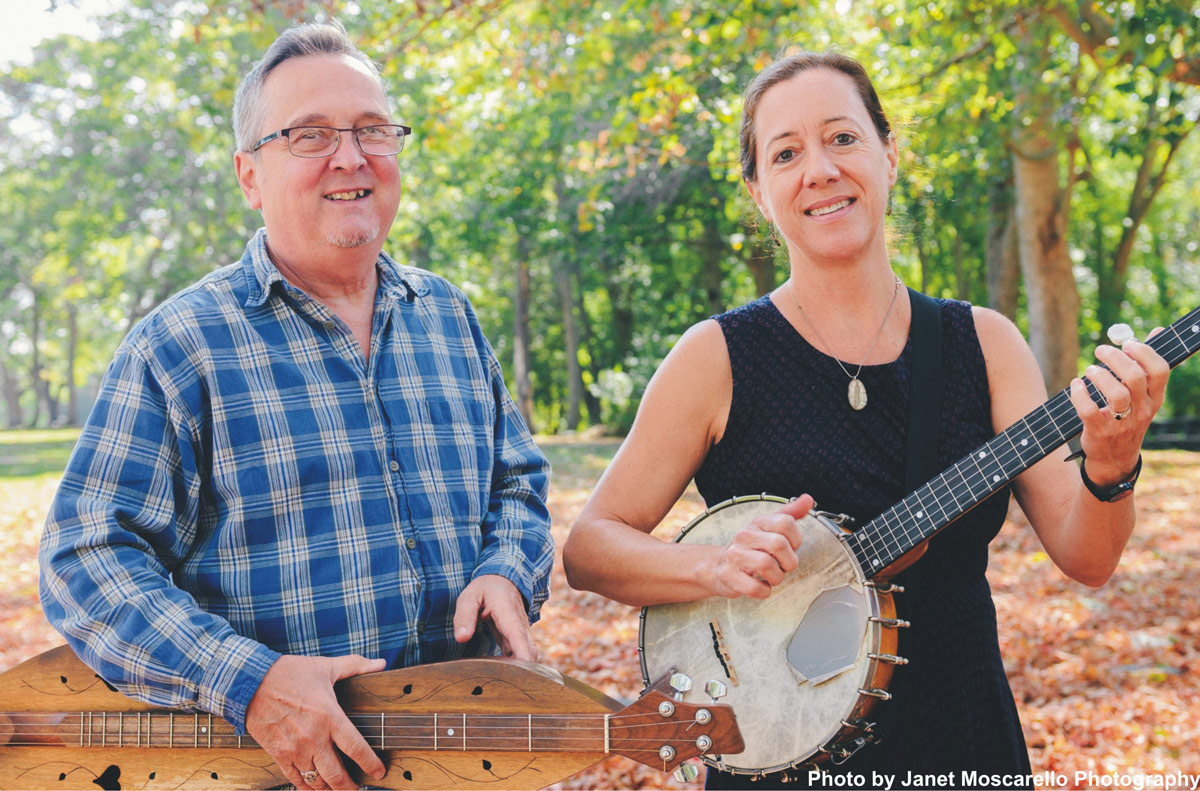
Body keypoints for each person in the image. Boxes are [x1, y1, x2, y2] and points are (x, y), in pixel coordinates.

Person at [562, 51, 1169, 786]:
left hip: (962, 746)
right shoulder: (717, 357)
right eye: (786, 153)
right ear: (760, 192)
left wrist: (1112, 464)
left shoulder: (984, 343)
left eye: (843, 138)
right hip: (780, 762)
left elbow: (1090, 558)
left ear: (889, 153)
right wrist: (713, 566)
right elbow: (590, 549)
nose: (818, 169)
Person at [39, 22, 553, 791]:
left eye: (372, 129)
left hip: (464, 762)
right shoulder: (182, 345)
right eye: (310, 135)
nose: (351, 157)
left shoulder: (449, 316)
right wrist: (248, 681)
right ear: (250, 176)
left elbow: (518, 481)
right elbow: (86, 557)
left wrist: (509, 569)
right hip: (278, 775)